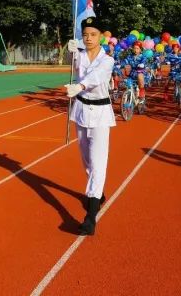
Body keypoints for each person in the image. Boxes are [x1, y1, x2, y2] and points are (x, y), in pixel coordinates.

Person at [65, 17, 116, 236]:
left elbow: (96, 77)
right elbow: (72, 65)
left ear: (101, 37)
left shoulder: (108, 60)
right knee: (86, 160)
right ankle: (98, 193)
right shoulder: (80, 54)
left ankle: (90, 217)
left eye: (93, 34)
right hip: (81, 110)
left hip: (101, 114)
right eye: (85, 34)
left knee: (98, 162)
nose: (88, 38)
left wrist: (79, 86)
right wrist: (69, 52)